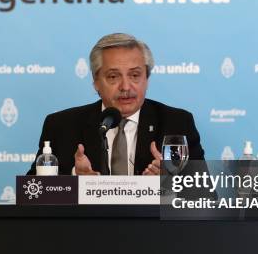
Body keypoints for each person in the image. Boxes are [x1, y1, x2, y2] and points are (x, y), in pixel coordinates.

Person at [27, 32, 206, 176]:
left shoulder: (177, 123)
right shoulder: (62, 125)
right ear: (96, 81)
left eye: (135, 75)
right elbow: (32, 193)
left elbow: (204, 196)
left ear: (147, 78)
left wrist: (168, 183)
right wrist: (76, 180)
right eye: (113, 76)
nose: (126, 87)